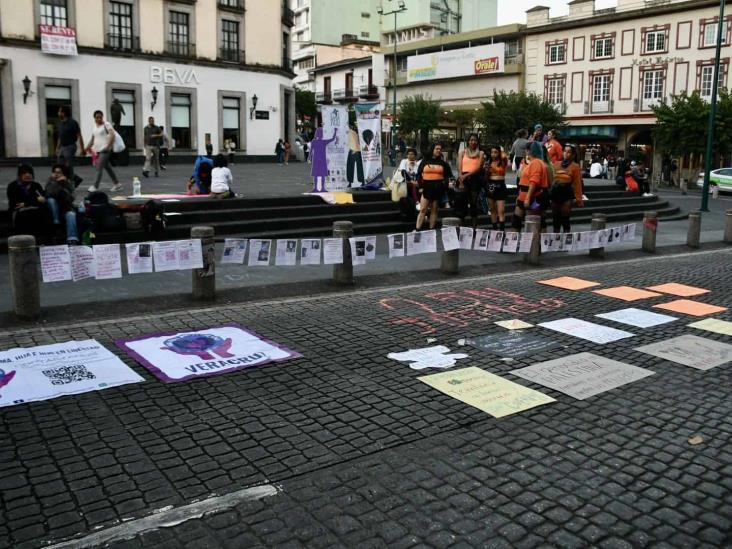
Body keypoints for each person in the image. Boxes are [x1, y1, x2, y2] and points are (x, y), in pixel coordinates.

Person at [415, 143, 454, 231]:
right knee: (423, 209)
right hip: (427, 188)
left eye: (440, 149)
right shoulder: (425, 160)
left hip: (438, 188)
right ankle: (417, 229)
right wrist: (421, 187)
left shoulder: (442, 162)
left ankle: (431, 229)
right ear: (432, 149)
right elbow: (419, 174)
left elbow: (448, 175)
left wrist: (445, 185)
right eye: (437, 149)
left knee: (434, 210)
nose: (439, 151)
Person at [513, 141, 550, 231]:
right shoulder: (535, 162)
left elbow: (534, 181)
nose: (525, 152)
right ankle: (516, 242)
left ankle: (535, 243)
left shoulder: (536, 163)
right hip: (525, 194)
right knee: (517, 220)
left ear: (530, 151)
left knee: (533, 223)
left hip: (533, 196)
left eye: (526, 150)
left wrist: (528, 197)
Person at [7, 164, 48, 236]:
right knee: (26, 215)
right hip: (19, 212)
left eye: (30, 173)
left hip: (35, 210)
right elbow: (17, 204)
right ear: (19, 175)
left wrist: (26, 203)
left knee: (43, 212)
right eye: (24, 173)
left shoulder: (36, 185)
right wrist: (34, 200)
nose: (28, 175)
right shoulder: (13, 186)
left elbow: (42, 200)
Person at [86, 110, 122, 193]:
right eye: (97, 117)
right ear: (94, 118)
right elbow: (92, 139)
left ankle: (95, 186)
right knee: (107, 168)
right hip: (97, 150)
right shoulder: (94, 127)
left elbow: (112, 135)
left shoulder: (107, 124)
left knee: (98, 167)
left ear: (102, 117)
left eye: (100, 117)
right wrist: (87, 148)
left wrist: (108, 146)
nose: (99, 119)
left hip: (105, 149)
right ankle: (117, 184)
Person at [550, 144, 583, 234]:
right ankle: (555, 238)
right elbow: (551, 179)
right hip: (555, 192)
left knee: (565, 216)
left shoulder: (575, 167)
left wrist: (579, 198)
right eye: (565, 151)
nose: (566, 154)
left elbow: (577, 183)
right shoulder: (556, 164)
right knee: (555, 216)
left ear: (572, 155)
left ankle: (566, 238)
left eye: (568, 152)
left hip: (567, 192)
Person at [456, 133, 486, 229]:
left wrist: (466, 175)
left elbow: (478, 168)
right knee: (462, 202)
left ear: (478, 142)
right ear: (468, 141)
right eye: (471, 140)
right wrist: (461, 177)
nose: (473, 142)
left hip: (474, 179)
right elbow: (459, 166)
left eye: (475, 140)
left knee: (474, 202)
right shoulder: (462, 152)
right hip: (463, 179)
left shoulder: (480, 153)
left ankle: (474, 227)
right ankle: (462, 226)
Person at [45, 164, 79, 244]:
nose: (56, 174)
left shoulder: (67, 183)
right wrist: (57, 183)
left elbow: (71, 198)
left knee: (71, 214)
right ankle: (56, 222)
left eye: (59, 173)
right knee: (51, 200)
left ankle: (72, 239)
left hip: (65, 209)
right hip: (52, 211)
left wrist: (65, 184)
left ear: (64, 174)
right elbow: (49, 194)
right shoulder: (50, 181)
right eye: (55, 172)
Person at [55, 106, 85, 183]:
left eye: (60, 111)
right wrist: (57, 148)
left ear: (64, 113)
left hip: (70, 146)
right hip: (62, 147)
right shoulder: (61, 123)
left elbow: (79, 135)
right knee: (60, 165)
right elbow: (60, 137)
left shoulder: (73, 123)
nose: (58, 113)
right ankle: (74, 179)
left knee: (68, 165)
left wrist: (82, 149)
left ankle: (71, 182)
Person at [485, 145, 509, 231]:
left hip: (500, 184)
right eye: (492, 152)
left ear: (499, 153)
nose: (493, 154)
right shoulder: (488, 162)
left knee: (501, 210)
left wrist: (501, 150)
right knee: (492, 209)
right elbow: (486, 177)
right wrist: (486, 171)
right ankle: (495, 230)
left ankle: (502, 231)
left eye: (495, 152)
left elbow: (504, 156)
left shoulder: (503, 161)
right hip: (491, 185)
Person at [310, 127, 338, 192]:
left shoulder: (315, 141)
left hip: (317, 159)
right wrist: (335, 131)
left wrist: (309, 157)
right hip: (321, 159)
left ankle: (317, 188)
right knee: (320, 174)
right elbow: (332, 139)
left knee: (316, 174)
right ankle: (320, 188)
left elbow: (311, 150)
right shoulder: (323, 141)